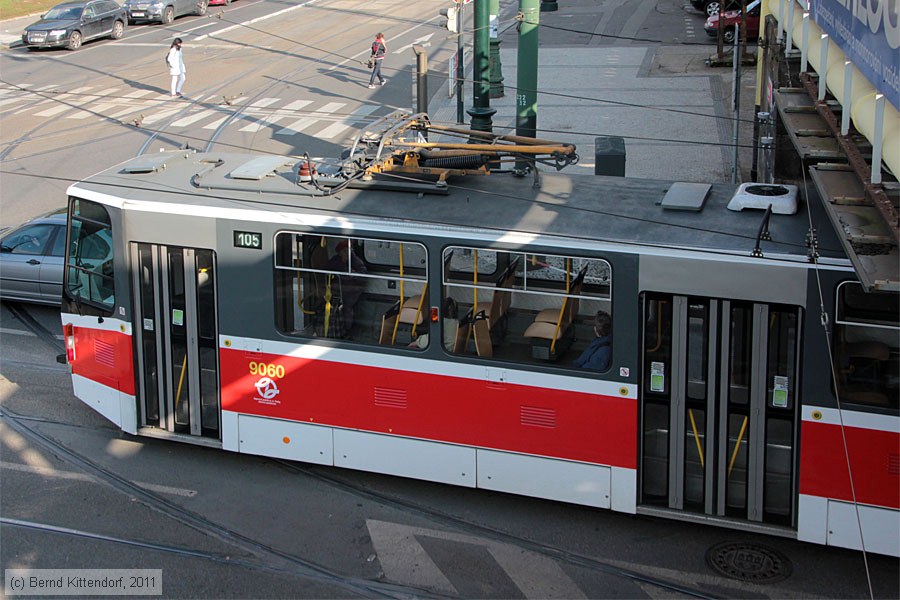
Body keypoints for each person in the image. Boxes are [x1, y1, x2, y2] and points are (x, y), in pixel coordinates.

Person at [324, 240, 368, 336]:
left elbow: (363, 273)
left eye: (349, 250)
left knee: (347, 305)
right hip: (338, 288)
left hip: (354, 287)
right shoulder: (335, 261)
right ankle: (343, 327)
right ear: (339, 253)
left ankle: (347, 329)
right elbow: (327, 272)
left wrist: (353, 274)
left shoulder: (355, 260)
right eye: (344, 251)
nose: (347, 253)